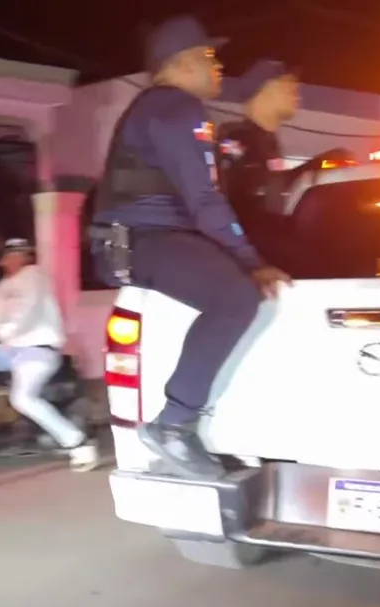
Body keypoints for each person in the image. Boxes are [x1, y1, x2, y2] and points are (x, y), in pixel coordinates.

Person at [87, 15, 292, 478]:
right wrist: (252, 262)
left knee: (235, 290)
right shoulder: (177, 108)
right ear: (181, 64)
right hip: (144, 241)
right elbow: (205, 200)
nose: (218, 66)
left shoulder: (161, 107)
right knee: (237, 297)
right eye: (208, 56)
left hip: (145, 240)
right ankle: (174, 425)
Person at [0, 237, 99, 471]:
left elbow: (25, 312)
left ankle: (78, 444)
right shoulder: (4, 285)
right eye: (9, 256)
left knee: (22, 398)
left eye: (18, 255)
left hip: (37, 351)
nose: (12, 260)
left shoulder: (33, 277)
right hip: (12, 350)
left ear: (25, 257)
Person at [216, 59, 301, 217]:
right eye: (288, 86)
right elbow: (240, 200)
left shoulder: (268, 142)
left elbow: (275, 182)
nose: (296, 94)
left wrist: (320, 164)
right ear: (263, 91)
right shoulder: (236, 139)